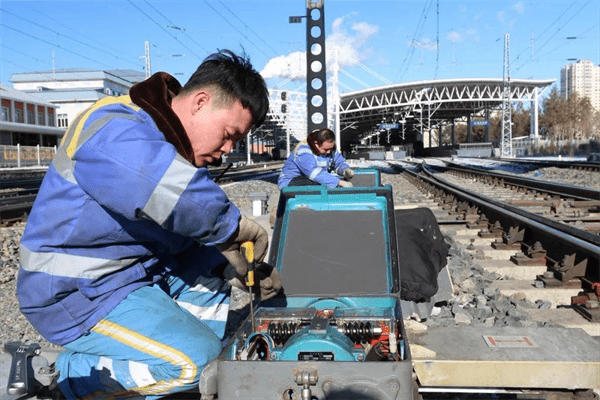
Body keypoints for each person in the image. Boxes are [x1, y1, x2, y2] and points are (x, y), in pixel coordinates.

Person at [17, 49, 282, 399]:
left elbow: (176, 235)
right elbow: (160, 187)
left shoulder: (170, 147)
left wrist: (228, 266)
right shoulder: (115, 126)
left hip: (128, 276)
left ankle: (168, 360)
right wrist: (232, 229)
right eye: (229, 134)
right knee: (197, 365)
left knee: (212, 268)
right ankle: (69, 376)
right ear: (201, 102)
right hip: (73, 291)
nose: (228, 149)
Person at [277, 128, 354, 189]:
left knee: (324, 183)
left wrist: (344, 170)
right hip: (291, 183)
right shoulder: (303, 151)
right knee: (319, 183)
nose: (329, 152)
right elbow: (314, 173)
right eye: (326, 149)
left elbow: (338, 163)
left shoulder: (330, 149)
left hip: (313, 181)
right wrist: (340, 183)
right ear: (316, 144)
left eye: (330, 148)